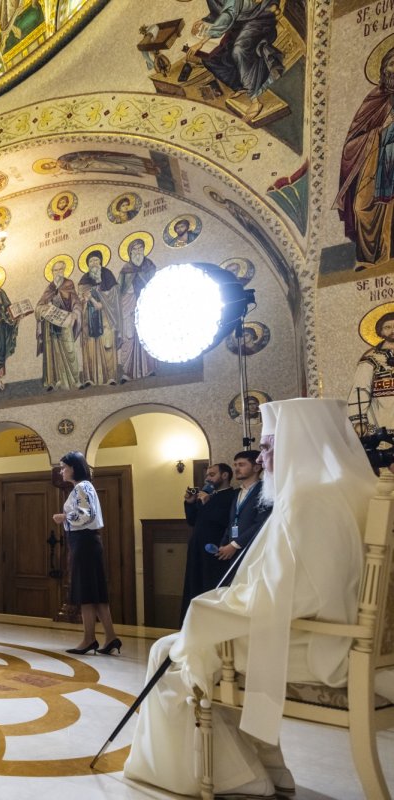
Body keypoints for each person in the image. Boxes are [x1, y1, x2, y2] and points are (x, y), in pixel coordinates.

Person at [124, 398, 375, 798]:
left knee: (170, 654)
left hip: (313, 643)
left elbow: (286, 595)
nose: (263, 457)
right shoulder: (358, 489)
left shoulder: (306, 500)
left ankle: (234, 777)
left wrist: (214, 607)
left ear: (299, 444)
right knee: (188, 641)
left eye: (270, 447)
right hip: (349, 637)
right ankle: (267, 770)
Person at [52, 451, 120, 655]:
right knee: (95, 593)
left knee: (86, 592)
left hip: (84, 541)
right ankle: (110, 637)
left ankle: (89, 638)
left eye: (64, 467)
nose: (61, 471)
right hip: (88, 542)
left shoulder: (82, 487)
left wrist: (64, 516)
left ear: (74, 468)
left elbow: (86, 514)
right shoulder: (84, 487)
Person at [337, 47, 394, 270]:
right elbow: (353, 140)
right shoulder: (375, 100)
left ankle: (387, 255)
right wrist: (378, 134)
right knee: (361, 207)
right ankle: (369, 259)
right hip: (374, 162)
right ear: (383, 69)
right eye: (391, 64)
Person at [189, 0, 284, 122]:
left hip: (260, 18)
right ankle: (240, 86)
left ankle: (255, 100)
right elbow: (219, 11)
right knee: (210, 58)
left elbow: (229, 13)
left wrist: (201, 42)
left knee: (239, 50)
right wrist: (205, 21)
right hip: (237, 22)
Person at [180, 462, 236, 618]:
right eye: (207, 476)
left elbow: (226, 521)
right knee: (194, 586)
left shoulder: (233, 495)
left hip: (216, 551)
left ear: (224, 476)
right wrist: (190, 503)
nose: (208, 479)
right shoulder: (207, 496)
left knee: (210, 588)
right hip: (197, 550)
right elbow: (193, 521)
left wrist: (207, 502)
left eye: (212, 475)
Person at [214, 450, 272, 582]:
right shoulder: (237, 493)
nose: (236, 469)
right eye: (235, 465)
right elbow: (232, 522)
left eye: (241, 465)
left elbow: (261, 523)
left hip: (254, 550)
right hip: (233, 550)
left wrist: (235, 545)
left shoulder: (266, 490)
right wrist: (225, 543)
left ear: (256, 467)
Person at [76, 249, 120, 387]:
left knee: (107, 344)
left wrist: (100, 300)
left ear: (101, 262)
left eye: (96, 260)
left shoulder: (108, 276)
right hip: (88, 319)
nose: (93, 263)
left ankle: (110, 376)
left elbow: (114, 296)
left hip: (106, 317)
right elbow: (79, 299)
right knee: (89, 348)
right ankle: (90, 377)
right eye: (90, 261)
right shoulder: (84, 280)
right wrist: (84, 299)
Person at [118, 237, 158, 381]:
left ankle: (149, 369)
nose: (137, 252)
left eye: (140, 249)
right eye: (134, 249)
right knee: (129, 338)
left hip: (146, 307)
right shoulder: (125, 269)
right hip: (129, 307)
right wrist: (128, 296)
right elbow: (120, 291)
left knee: (147, 335)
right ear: (129, 252)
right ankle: (127, 372)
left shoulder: (150, 266)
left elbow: (156, 285)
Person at [36, 269, 83, 392]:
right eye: (55, 270)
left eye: (61, 270)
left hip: (65, 323)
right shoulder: (50, 288)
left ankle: (74, 380)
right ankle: (53, 380)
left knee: (69, 351)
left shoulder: (69, 284)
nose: (58, 272)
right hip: (50, 326)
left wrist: (75, 313)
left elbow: (76, 302)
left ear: (64, 271)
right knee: (52, 353)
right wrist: (44, 308)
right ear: (52, 272)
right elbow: (39, 305)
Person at [351, 311, 394, 434]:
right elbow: (360, 389)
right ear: (380, 331)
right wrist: (359, 421)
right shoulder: (370, 359)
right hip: (381, 418)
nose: (392, 330)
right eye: (387, 327)